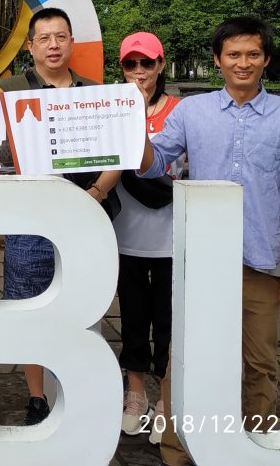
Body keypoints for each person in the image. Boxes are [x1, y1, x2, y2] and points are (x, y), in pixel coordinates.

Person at [138, 16, 280, 466]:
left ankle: (255, 448)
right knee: (186, 360)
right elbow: (155, 163)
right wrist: (132, 123)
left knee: (260, 363)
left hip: (260, 261)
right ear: (217, 61)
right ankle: (177, 451)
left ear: (266, 60)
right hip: (201, 261)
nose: (243, 62)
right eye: (233, 54)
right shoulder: (192, 112)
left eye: (253, 54)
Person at [0, 6, 121, 425]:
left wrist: (98, 191)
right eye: (44, 38)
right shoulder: (8, 89)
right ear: (30, 45)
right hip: (27, 223)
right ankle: (35, 398)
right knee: (28, 308)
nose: (53, 45)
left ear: (71, 42)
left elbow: (117, 153)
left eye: (60, 36)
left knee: (83, 309)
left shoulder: (93, 93)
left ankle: (77, 390)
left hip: (83, 220)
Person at [113, 32, 182, 438]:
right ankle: (135, 394)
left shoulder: (180, 110)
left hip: (173, 236)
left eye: (147, 63)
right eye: (130, 64)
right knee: (134, 318)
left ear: (160, 65)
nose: (139, 72)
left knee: (170, 321)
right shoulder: (109, 107)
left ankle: (166, 400)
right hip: (127, 235)